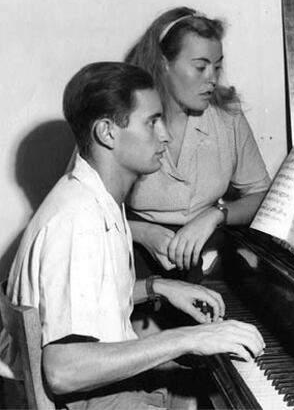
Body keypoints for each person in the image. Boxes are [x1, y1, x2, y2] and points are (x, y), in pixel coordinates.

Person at [0, 62, 265, 409]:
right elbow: (63, 371)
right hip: (83, 400)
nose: (165, 135)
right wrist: (190, 337)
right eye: (152, 122)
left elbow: (89, 299)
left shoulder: (94, 196)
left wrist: (158, 287)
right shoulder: (78, 220)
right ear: (107, 133)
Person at [124, 7, 271, 281]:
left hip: (203, 255)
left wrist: (215, 215)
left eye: (217, 67)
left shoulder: (228, 116)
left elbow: (262, 195)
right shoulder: (122, 114)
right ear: (162, 64)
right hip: (131, 254)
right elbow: (85, 210)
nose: (212, 79)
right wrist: (143, 233)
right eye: (200, 67)